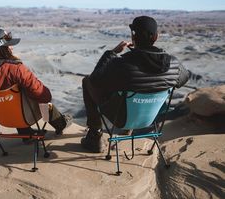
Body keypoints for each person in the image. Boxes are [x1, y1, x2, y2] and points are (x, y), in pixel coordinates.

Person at [81, 16, 190, 153]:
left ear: (133, 37)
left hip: (121, 118)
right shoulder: (173, 65)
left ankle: (94, 136)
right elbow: (185, 78)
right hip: (148, 119)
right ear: (156, 37)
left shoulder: (122, 64)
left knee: (87, 81)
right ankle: (126, 133)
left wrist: (111, 53)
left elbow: (95, 80)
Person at [0, 28, 72, 140]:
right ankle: (61, 124)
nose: (11, 47)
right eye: (9, 45)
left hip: (2, 118)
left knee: (15, 98)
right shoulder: (14, 69)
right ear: (1, 49)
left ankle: (25, 134)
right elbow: (45, 96)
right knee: (40, 99)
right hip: (27, 116)